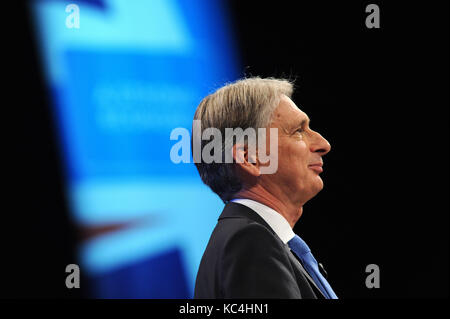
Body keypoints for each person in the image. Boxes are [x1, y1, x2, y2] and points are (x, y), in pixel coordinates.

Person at [192, 77, 337, 299]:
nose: (323, 144)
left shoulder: (255, 240)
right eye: (298, 130)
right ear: (250, 158)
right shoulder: (250, 243)